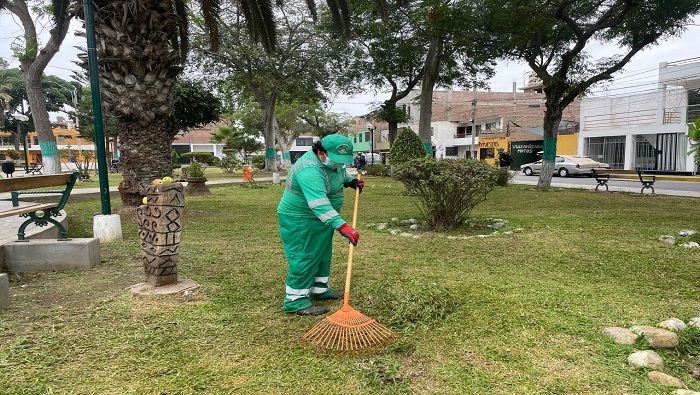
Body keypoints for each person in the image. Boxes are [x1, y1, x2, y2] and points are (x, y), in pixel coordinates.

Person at [277, 134, 365, 316]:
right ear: (320, 152)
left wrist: (350, 181)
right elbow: (318, 203)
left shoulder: (332, 163)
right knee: (305, 255)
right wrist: (342, 226)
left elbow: (337, 173)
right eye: (336, 159)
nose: (340, 163)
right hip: (301, 219)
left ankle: (319, 289)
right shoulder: (308, 169)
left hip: (323, 219)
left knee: (323, 253)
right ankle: (295, 301)